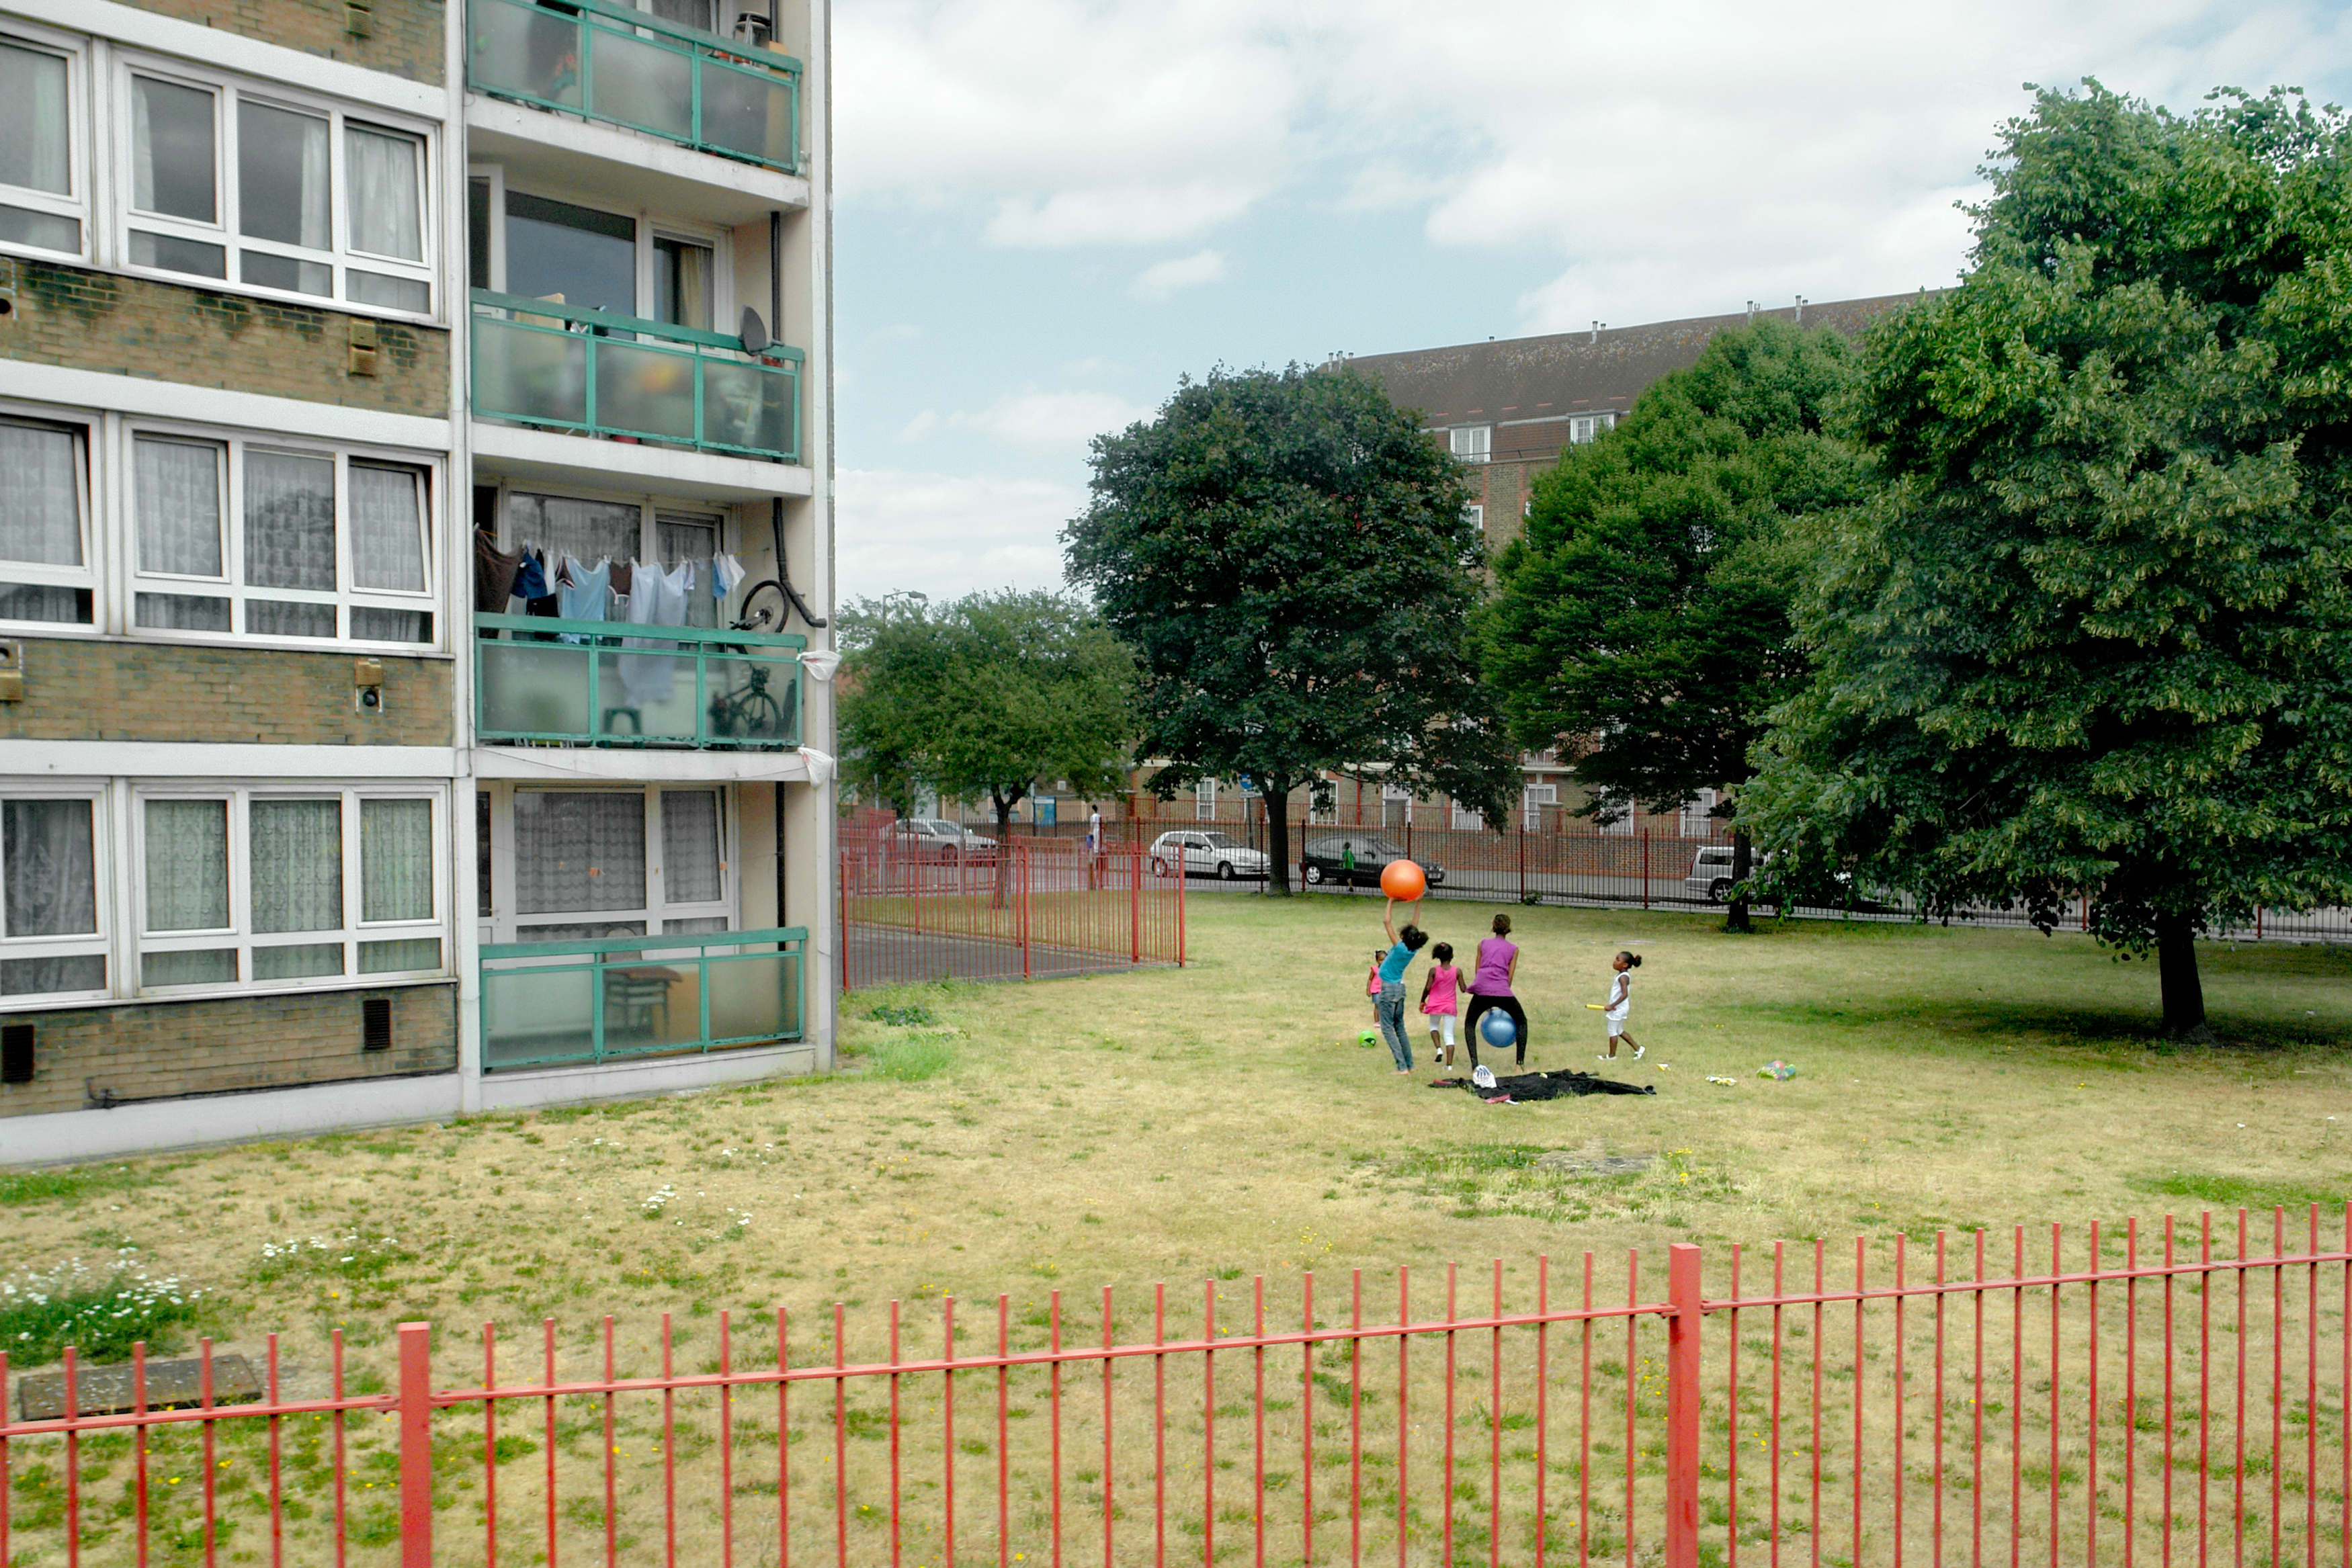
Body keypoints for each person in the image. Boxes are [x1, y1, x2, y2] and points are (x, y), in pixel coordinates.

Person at [1462, 913, 1531, 1072]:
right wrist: (1503, 993)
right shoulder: (1513, 949)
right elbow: (1510, 976)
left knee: (1470, 1024)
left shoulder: (1483, 944)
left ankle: (1474, 1064)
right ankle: (1519, 1065)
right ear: (1509, 929)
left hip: (1482, 988)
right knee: (1521, 1022)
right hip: (1502, 990)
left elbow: (1478, 970)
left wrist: (1481, 987)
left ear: (1493, 927)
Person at [1373, 898, 1429, 1075]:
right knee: (1400, 1027)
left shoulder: (1399, 948)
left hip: (1389, 990)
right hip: (1400, 989)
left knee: (1387, 1028)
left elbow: (1387, 921)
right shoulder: (1413, 949)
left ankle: (1401, 1067)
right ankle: (1410, 1065)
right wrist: (1418, 903)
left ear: (1403, 937)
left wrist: (1391, 900)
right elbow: (1415, 925)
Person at [1420, 941, 1462, 1068]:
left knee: (1434, 1027)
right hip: (1450, 1006)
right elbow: (1464, 988)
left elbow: (1428, 988)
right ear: (1452, 956)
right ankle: (1449, 1066)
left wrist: (1422, 1000)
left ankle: (1438, 1049)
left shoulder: (1434, 971)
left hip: (1435, 1005)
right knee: (1449, 1035)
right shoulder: (1457, 971)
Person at [1597, 950, 1644, 1062]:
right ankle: (1638, 1049)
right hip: (1620, 1008)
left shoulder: (1623, 977)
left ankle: (1611, 1056)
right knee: (1619, 1030)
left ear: (1625, 965)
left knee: (1612, 1031)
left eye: (1618, 960)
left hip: (1618, 1008)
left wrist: (1612, 1005)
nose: (1614, 961)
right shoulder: (1622, 976)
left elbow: (1624, 994)